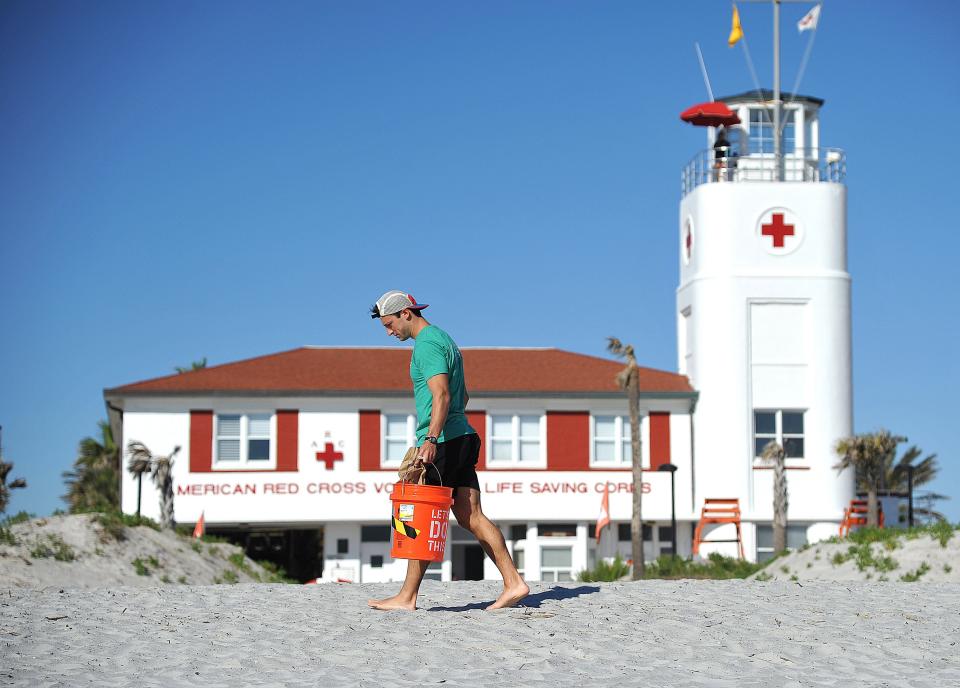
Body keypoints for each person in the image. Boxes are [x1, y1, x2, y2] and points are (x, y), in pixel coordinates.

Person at [367, 290, 529, 611]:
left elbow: (441, 395)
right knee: (472, 517)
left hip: (443, 442)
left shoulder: (426, 345)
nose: (389, 332)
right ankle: (514, 583)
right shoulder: (446, 340)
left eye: (389, 324)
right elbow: (463, 397)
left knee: (423, 516)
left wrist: (430, 438)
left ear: (406, 314)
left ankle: (407, 597)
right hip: (462, 436)